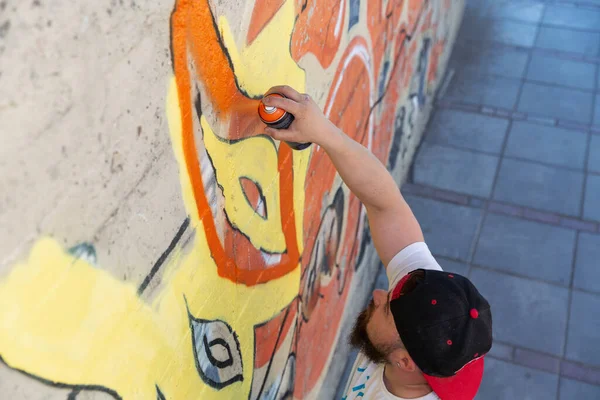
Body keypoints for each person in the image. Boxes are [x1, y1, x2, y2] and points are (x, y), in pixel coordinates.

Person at [261, 86, 493, 400]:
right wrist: (324, 132)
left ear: (405, 361)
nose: (380, 294)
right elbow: (386, 204)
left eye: (386, 311)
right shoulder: (431, 316)